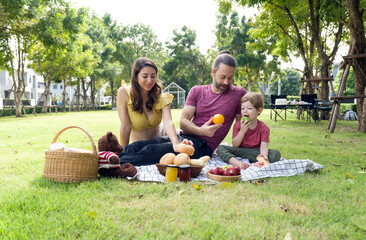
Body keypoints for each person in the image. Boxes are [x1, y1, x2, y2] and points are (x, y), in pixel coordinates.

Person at [116, 57, 192, 166]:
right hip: (140, 145)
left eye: (153, 76)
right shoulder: (124, 93)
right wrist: (124, 151)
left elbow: (168, 122)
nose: (150, 80)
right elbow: (125, 126)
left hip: (162, 138)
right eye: (144, 76)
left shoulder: (161, 97)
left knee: (191, 142)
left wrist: (176, 144)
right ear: (136, 77)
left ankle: (218, 148)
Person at [179, 50, 246, 159]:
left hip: (202, 147)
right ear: (213, 72)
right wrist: (201, 131)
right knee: (149, 144)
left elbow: (241, 124)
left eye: (230, 78)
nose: (226, 82)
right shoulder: (197, 91)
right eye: (222, 77)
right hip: (183, 138)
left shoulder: (239, 94)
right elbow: (183, 122)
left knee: (152, 151)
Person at [216, 92, 281, 169]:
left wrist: (264, 156)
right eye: (242, 108)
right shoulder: (237, 125)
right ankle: (238, 163)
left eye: (249, 108)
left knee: (276, 153)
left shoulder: (264, 128)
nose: (245, 111)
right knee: (220, 148)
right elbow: (235, 145)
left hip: (255, 153)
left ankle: (259, 163)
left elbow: (264, 146)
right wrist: (242, 131)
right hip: (240, 151)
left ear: (259, 110)